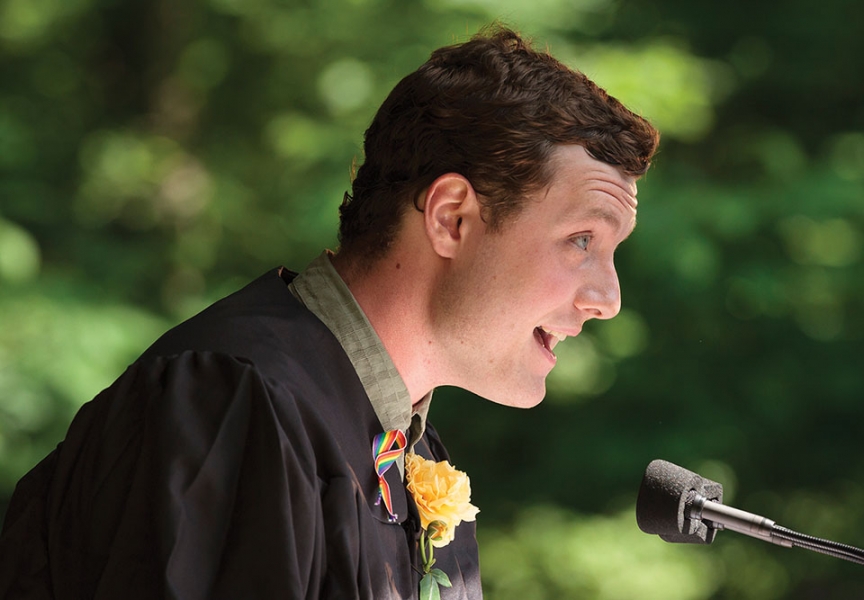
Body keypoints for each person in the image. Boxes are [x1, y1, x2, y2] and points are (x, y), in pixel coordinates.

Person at [0, 26, 658, 599]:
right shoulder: (231, 401)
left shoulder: (407, 453)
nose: (608, 299)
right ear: (453, 218)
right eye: (582, 241)